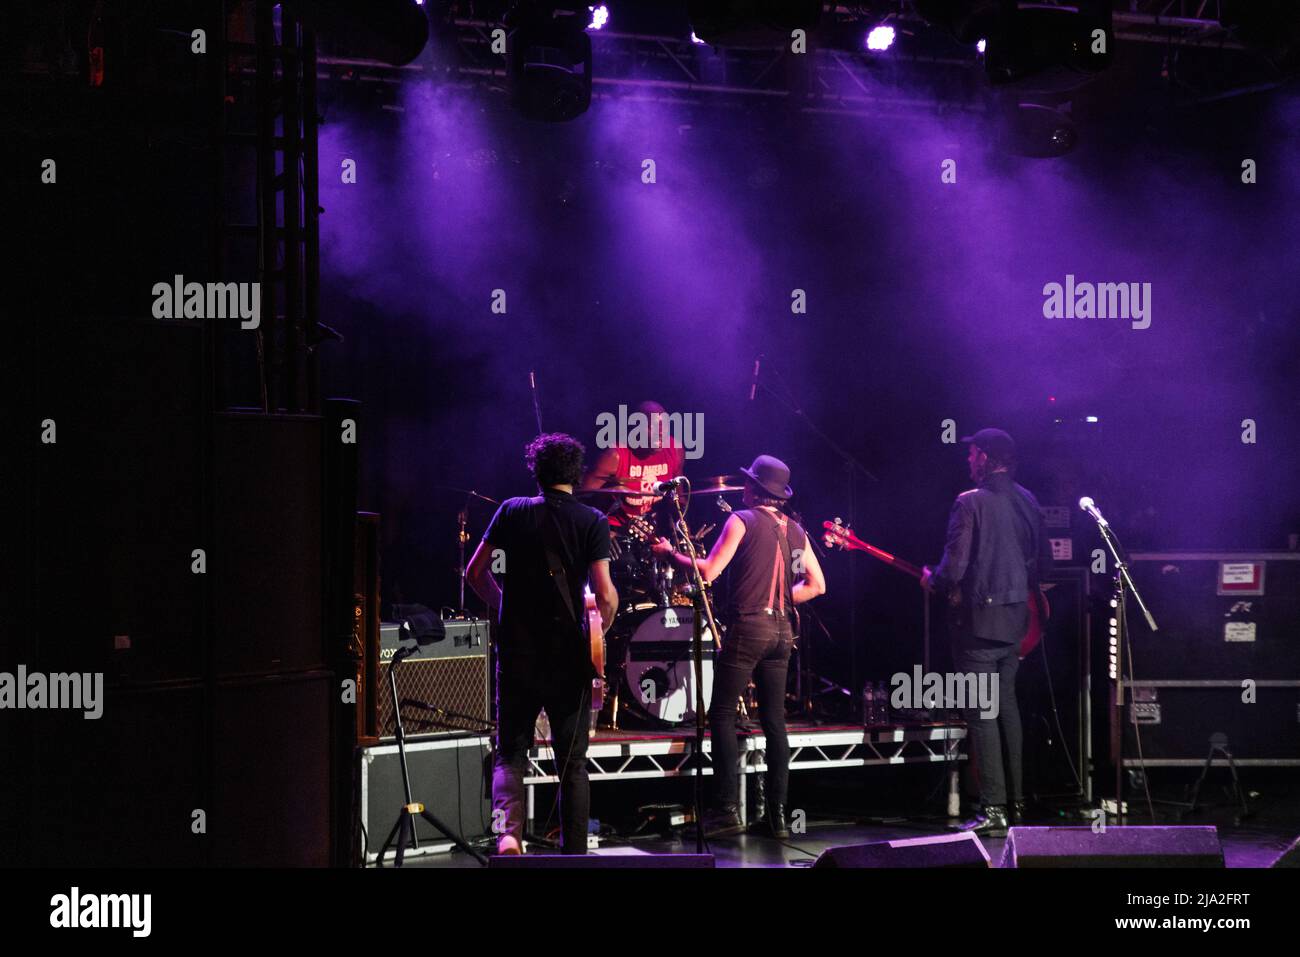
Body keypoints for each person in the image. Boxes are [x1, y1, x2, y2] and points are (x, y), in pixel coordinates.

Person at [652, 455, 826, 838]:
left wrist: (669, 555)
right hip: (782, 631)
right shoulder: (796, 530)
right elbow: (817, 585)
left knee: (723, 715)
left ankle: (726, 811)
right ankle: (777, 817)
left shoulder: (741, 520)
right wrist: (780, 598)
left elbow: (710, 571)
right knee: (774, 722)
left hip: (749, 627)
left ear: (752, 490)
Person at [466, 433, 618, 855]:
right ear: (577, 474)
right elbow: (605, 596)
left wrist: (505, 607)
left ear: (536, 470)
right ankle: (574, 856)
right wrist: (595, 636)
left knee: (509, 754)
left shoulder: (511, 511)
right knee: (572, 765)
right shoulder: (592, 521)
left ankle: (508, 836)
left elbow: (476, 573)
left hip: (518, 653)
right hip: (569, 658)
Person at [921, 428, 1051, 838]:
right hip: (1017, 620)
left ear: (986, 458)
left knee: (982, 714)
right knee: (1007, 708)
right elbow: (1042, 563)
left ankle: (993, 808)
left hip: (978, 623)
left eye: (972, 453)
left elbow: (954, 568)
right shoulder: (1027, 499)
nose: (968, 460)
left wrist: (934, 581)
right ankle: (1016, 802)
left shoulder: (969, 502)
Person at [581, 399, 685, 529]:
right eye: (652, 426)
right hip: (615, 531)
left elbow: (679, 499)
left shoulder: (675, 450)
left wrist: (685, 536)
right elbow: (580, 498)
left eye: (664, 426)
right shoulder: (615, 456)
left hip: (652, 530)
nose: (660, 432)